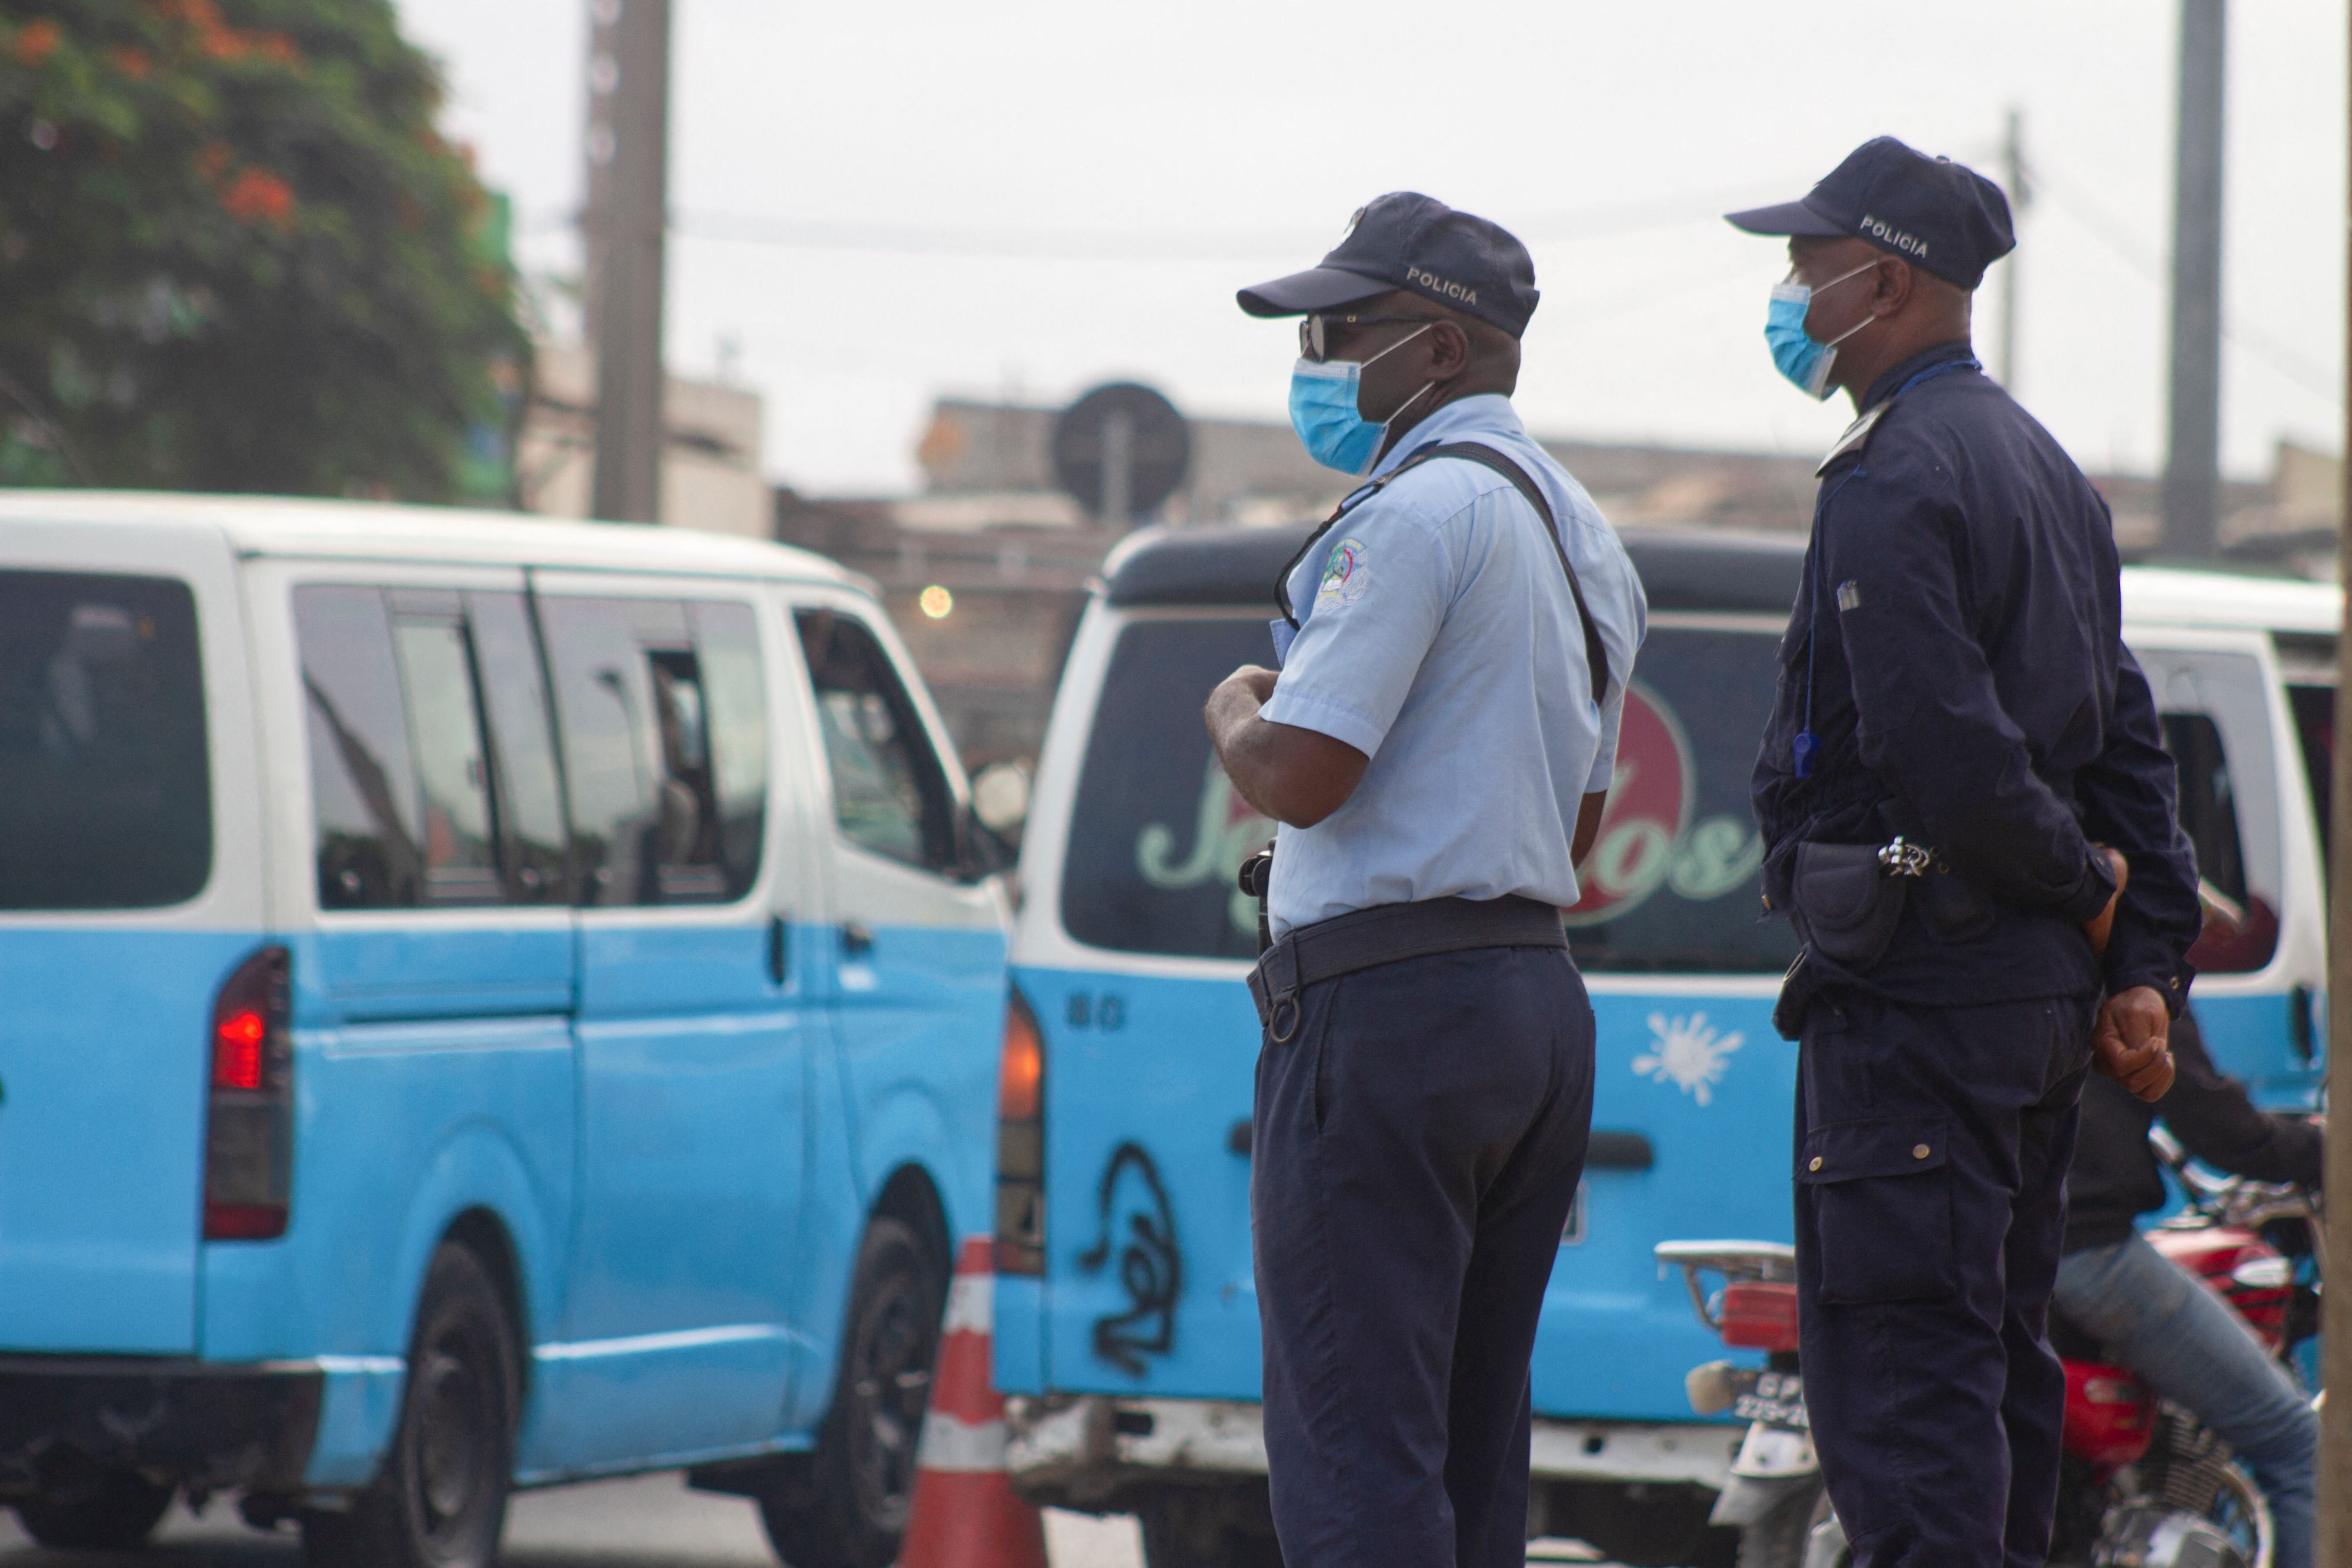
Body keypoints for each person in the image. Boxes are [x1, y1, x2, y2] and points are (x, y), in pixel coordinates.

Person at [1728, 137, 2203, 1568]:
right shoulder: (2044, 471)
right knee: (1990, 1379)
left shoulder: (1894, 474)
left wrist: (2083, 894)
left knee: (1908, 1411)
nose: (1789, 294)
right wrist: (2137, 956)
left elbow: (1945, 752)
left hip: (1922, 1002)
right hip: (2024, 1009)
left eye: (1806, 268)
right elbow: (2127, 744)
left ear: (1884, 283)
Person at [1202, 192, 1644, 1568]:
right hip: (1529, 1002)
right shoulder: (1585, 535)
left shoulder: (1409, 517)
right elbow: (1576, 829)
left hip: (1386, 1014)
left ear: (1441, 349)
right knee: (1467, 1451)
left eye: (1340, 332)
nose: (1316, 362)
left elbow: (1302, 772)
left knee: (1355, 1456)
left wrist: (1233, 711)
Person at [2054, 1004, 2322, 1568]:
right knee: (2302, 1447)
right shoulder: (2131, 971)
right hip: (2087, 1249)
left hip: (1998, 1250)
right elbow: (2220, 1127)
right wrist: (2323, 1151)